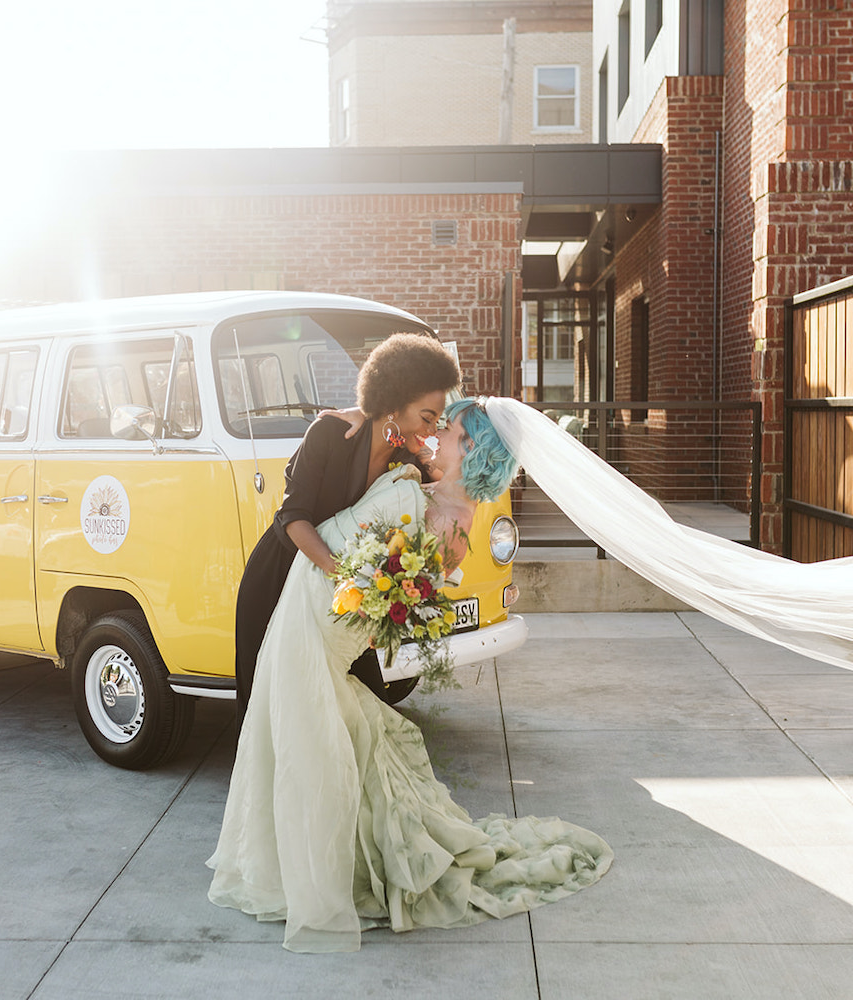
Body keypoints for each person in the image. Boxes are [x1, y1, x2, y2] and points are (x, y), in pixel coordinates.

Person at [208, 399, 612, 953]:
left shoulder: (445, 519)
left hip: (320, 626)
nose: (437, 433)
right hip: (309, 614)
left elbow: (392, 597)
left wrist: (364, 593)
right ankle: (308, 866)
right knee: (307, 745)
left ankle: (316, 882)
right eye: (436, 422)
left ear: (470, 449)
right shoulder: (440, 501)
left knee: (309, 751)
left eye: (449, 429)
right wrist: (357, 412)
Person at [234, 333, 460, 713]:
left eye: (436, 421)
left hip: (346, 598)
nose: (430, 430)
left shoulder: (408, 460)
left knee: (369, 702)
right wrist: (345, 577)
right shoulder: (329, 434)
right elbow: (292, 517)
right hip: (279, 583)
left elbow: (452, 483)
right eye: (426, 417)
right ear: (393, 399)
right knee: (274, 709)